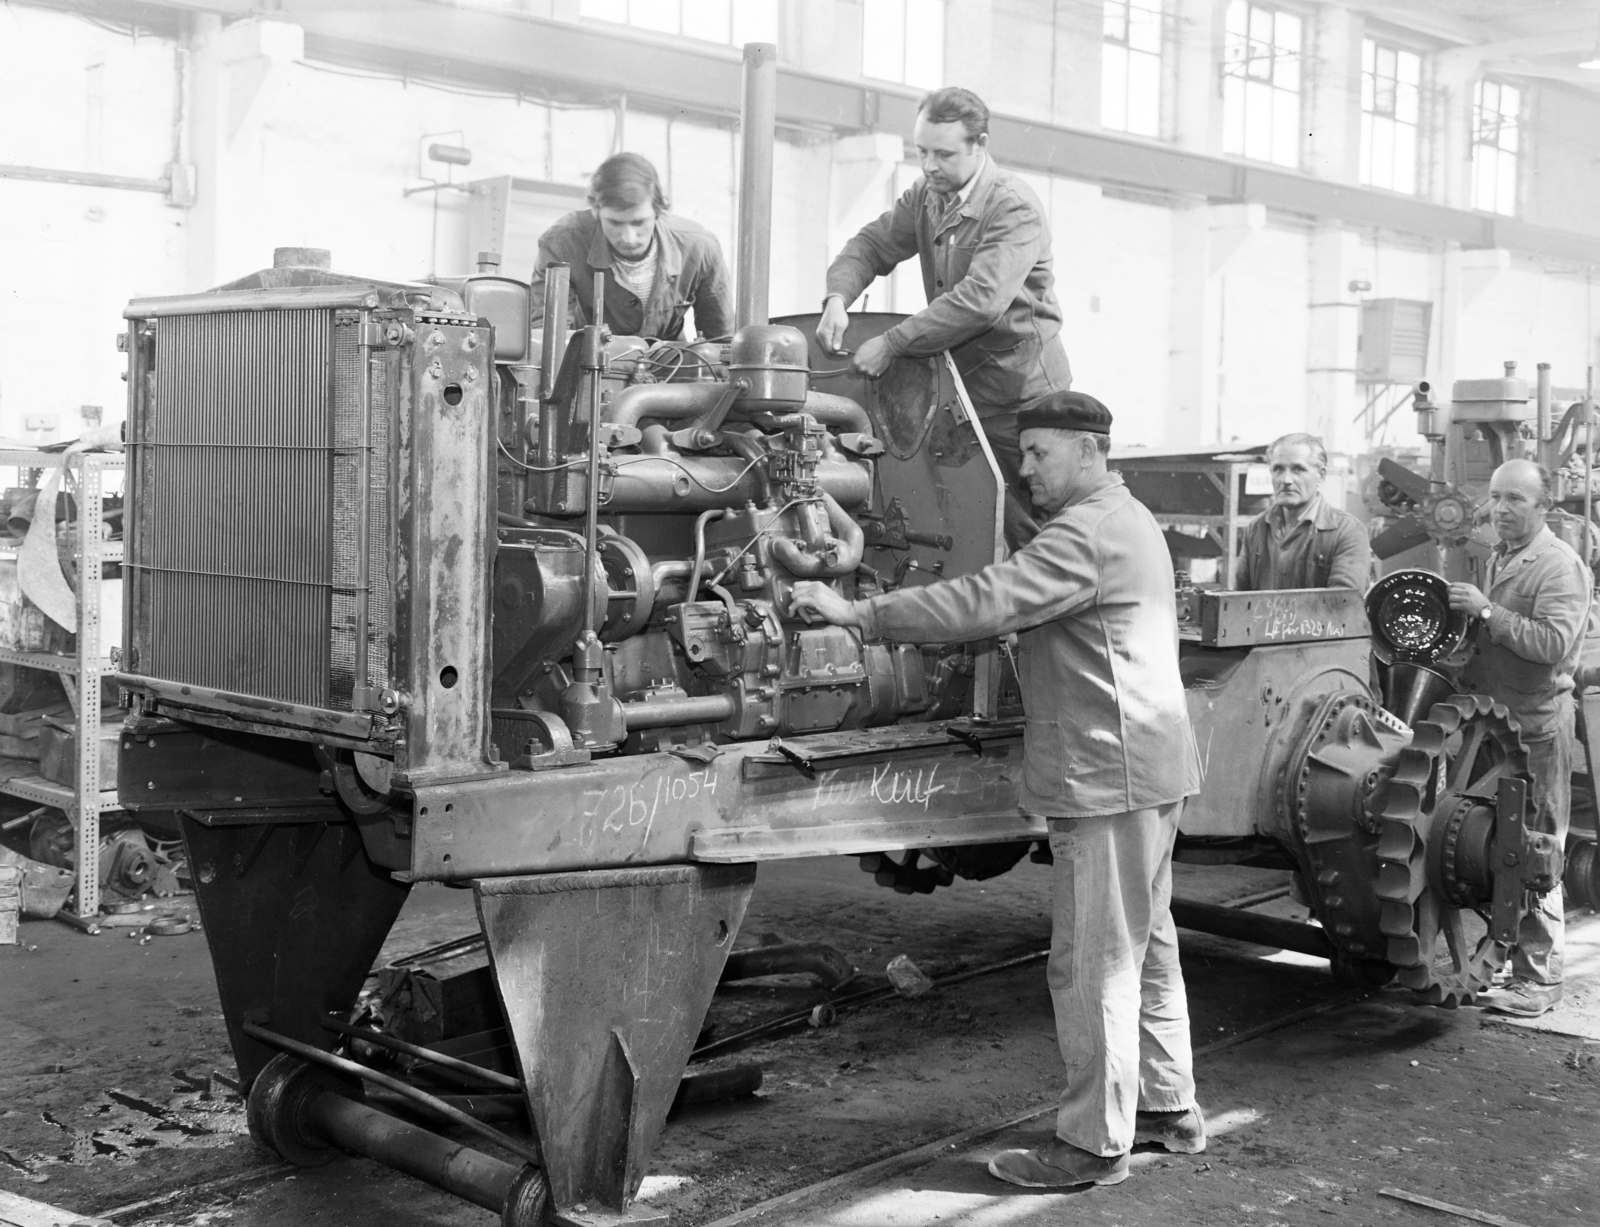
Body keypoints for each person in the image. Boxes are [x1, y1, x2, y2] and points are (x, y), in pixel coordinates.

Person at [789, 390, 1204, 1189]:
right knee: (1145, 945)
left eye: (1040, 452)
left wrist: (859, 612)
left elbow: (984, 600)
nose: (1026, 468)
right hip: (1146, 767)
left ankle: (1091, 1144)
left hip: (1106, 774)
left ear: (1090, 451)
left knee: (1092, 961)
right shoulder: (1129, 517)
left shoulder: (1086, 535)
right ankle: (1166, 1106)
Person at [817, 87, 1071, 545]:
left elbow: (979, 301)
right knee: (960, 521)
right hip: (961, 391)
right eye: (921, 152)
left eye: (944, 154)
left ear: (981, 145)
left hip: (1019, 398)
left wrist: (892, 343)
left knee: (1023, 530)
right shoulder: (927, 195)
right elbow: (871, 245)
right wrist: (838, 296)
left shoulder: (1012, 206)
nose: (929, 165)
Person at [1448, 459, 1590, 1019]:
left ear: (1543, 506)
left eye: (1515, 500)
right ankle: (1513, 962)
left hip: (1536, 724)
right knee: (1502, 846)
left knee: (1538, 848)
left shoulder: (1559, 566)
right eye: (1495, 498)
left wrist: (1486, 610)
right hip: (1500, 723)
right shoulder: (1505, 556)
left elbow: (1553, 644)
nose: (1500, 509)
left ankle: (1541, 978)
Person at [530, 152, 732, 341]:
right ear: (596, 211)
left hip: (668, 372)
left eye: (638, 222)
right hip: (586, 370)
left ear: (658, 210)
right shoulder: (562, 244)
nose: (628, 238)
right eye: (615, 223)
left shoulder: (699, 248)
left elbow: (721, 341)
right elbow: (548, 339)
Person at [1235, 432, 1371, 591]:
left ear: (1320, 475)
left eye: (1298, 469)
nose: (1286, 480)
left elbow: (1343, 606)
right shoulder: (1256, 528)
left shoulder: (1347, 531)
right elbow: (1238, 601)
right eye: (1278, 469)